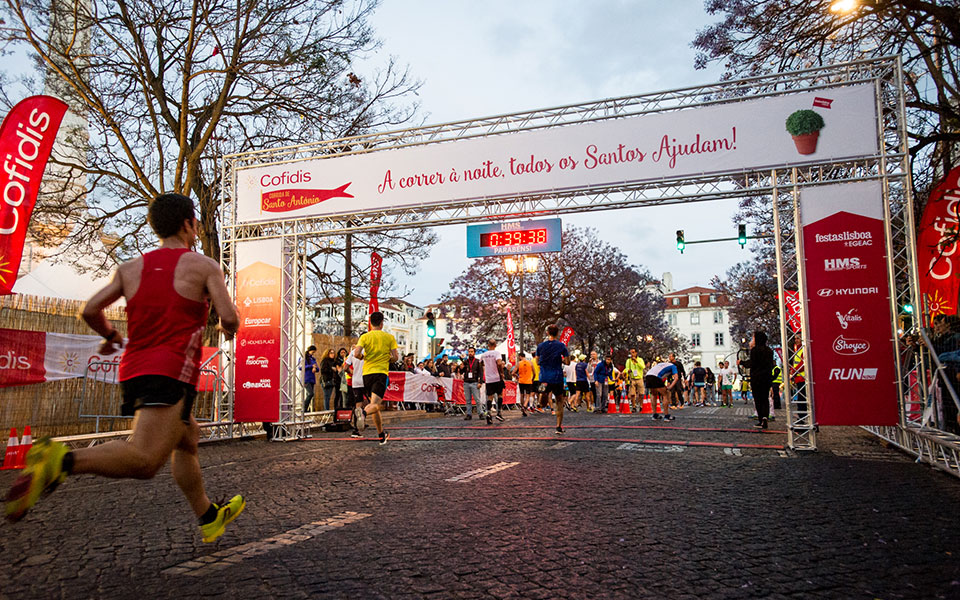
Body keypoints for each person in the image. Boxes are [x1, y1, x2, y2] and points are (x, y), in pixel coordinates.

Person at [6, 192, 244, 541]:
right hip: (171, 369)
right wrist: (226, 328)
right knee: (145, 460)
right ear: (188, 224)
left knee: (187, 438)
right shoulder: (204, 266)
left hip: (135, 368)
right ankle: (61, 461)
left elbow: (89, 310)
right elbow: (230, 317)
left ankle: (208, 516)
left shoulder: (130, 268)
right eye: (195, 224)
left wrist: (111, 335)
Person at [353, 311, 399, 444]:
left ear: (370, 323)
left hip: (367, 374)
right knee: (375, 405)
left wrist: (363, 357)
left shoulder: (365, 337)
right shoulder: (389, 337)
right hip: (380, 373)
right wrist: (388, 359)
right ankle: (363, 413)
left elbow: (356, 353)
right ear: (382, 323)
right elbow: (396, 357)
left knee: (374, 405)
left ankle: (381, 435)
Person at [738, 330, 776, 429]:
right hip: (766, 378)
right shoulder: (769, 350)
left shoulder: (755, 350)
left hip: (757, 378)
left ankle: (761, 419)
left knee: (758, 399)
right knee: (765, 399)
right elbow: (770, 365)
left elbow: (752, 363)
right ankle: (765, 417)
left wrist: (741, 362)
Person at [536, 325, 569, 434]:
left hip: (544, 376)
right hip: (557, 376)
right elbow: (568, 362)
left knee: (542, 396)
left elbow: (537, 361)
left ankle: (542, 398)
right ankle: (558, 426)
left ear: (547, 333)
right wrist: (561, 360)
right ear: (557, 333)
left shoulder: (540, 346)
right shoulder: (561, 346)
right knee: (559, 400)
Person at [480, 341, 506, 425]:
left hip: (488, 379)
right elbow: (499, 363)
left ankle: (488, 413)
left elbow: (480, 363)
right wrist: (501, 373)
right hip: (497, 377)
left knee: (490, 397)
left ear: (488, 345)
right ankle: (499, 413)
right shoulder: (497, 353)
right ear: (495, 345)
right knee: (500, 395)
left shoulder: (484, 354)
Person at [344, 346, 366, 438]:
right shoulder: (370, 351)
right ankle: (363, 418)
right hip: (367, 380)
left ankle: (356, 429)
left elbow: (345, 367)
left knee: (358, 404)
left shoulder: (353, 352)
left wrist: (353, 372)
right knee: (373, 403)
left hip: (356, 381)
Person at [462, 347, 484, 420]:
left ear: (474, 352)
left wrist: (480, 382)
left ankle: (480, 413)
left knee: (477, 399)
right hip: (466, 382)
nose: (470, 353)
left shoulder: (478, 362)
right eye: (469, 351)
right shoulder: (466, 362)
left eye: (472, 351)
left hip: (475, 382)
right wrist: (461, 365)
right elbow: (462, 370)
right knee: (468, 400)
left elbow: (481, 373)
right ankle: (469, 414)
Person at [624, 349, 645, 413]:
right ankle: (634, 407)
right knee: (632, 394)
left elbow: (643, 367)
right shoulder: (628, 361)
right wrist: (628, 371)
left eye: (633, 352)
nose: (632, 354)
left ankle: (641, 406)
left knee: (641, 393)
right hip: (632, 378)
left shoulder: (640, 359)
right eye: (631, 353)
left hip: (639, 378)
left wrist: (636, 361)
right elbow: (626, 368)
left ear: (636, 353)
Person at [515, 352, 534, 417]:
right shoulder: (530, 363)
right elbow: (534, 373)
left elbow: (512, 372)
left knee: (522, 395)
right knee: (528, 395)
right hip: (528, 381)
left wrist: (517, 377)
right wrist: (532, 378)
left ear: (520, 356)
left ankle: (523, 408)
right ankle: (525, 406)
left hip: (521, 381)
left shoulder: (519, 363)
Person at [302, 345, 318, 413]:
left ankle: (307, 408)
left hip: (312, 379)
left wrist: (315, 368)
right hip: (306, 378)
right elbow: (301, 367)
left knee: (308, 394)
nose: (313, 353)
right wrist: (311, 366)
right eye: (312, 352)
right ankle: (304, 408)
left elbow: (317, 368)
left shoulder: (313, 359)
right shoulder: (304, 358)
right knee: (310, 393)